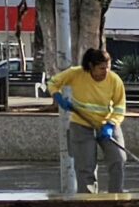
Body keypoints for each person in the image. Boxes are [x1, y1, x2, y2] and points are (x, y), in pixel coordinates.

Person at [46, 47, 128, 193]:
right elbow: (53, 82)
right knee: (85, 166)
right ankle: (88, 200)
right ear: (91, 66)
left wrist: (110, 125)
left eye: (108, 67)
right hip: (81, 124)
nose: (106, 72)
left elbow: (120, 107)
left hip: (106, 124)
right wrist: (57, 97)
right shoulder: (76, 74)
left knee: (118, 159)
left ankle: (116, 197)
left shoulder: (115, 81)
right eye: (102, 68)